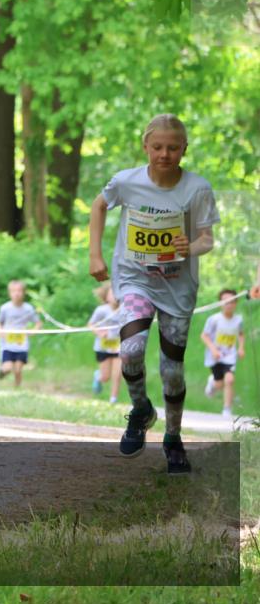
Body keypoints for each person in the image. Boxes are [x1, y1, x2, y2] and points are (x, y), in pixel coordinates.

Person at [89, 114, 219, 475]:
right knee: (130, 350)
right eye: (158, 147)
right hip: (134, 278)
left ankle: (173, 438)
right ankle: (141, 409)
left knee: (172, 371)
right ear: (146, 146)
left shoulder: (197, 188)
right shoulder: (126, 182)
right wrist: (95, 254)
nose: (165, 154)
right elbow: (99, 205)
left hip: (178, 288)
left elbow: (207, 239)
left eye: (173, 148)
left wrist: (190, 245)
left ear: (184, 149)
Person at [201, 289, 245, 418]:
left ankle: (227, 409)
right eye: (225, 301)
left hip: (229, 357)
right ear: (220, 303)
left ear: (236, 303)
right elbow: (204, 336)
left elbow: (241, 334)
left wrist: (241, 348)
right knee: (219, 383)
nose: (228, 304)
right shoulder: (213, 319)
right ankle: (212, 383)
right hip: (215, 357)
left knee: (230, 380)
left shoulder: (238, 320)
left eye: (232, 301)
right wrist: (213, 349)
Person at [0, 280, 42, 388]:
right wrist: (0, 331)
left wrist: (33, 331)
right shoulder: (5, 308)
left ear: (24, 292)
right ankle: (2, 372)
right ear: (10, 293)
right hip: (7, 344)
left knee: (18, 369)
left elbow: (38, 323)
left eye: (19, 291)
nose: (17, 293)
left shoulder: (28, 309)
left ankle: (17, 389)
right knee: (7, 368)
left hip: (22, 344)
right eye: (14, 291)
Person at [88, 283, 124, 403]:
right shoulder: (101, 310)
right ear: (106, 296)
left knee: (117, 373)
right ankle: (98, 377)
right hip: (103, 346)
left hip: (118, 346)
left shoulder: (125, 309)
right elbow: (90, 325)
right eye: (112, 293)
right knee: (105, 377)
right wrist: (99, 333)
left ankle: (113, 399)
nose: (115, 296)